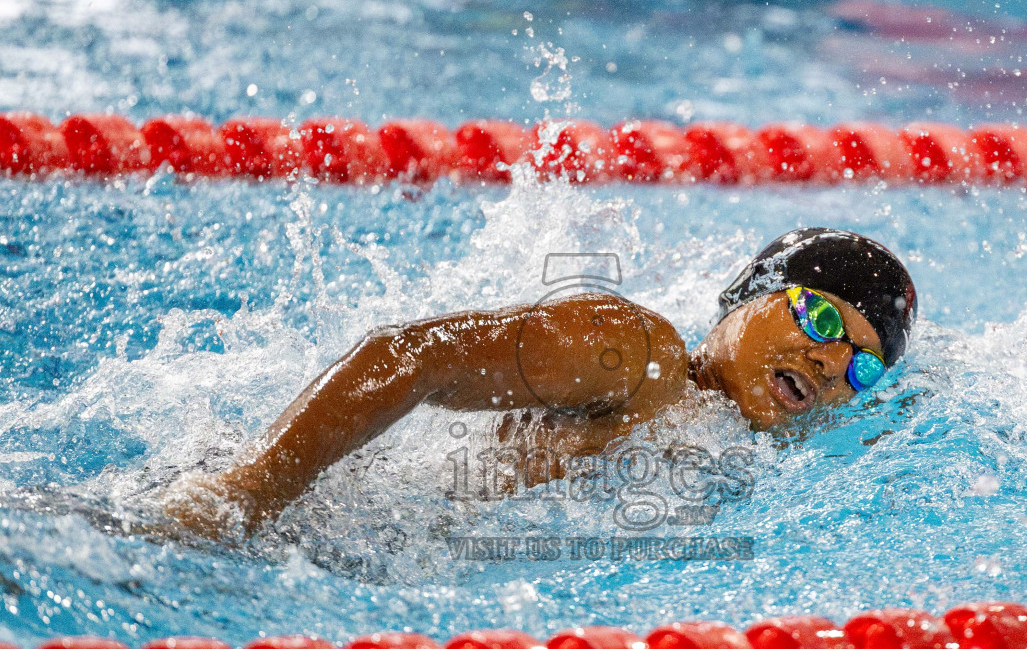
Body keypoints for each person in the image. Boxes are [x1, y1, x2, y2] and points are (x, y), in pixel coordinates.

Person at [163, 227, 917, 540]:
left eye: (862, 363)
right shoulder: (642, 359)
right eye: (819, 319)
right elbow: (413, 353)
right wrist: (248, 491)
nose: (829, 363)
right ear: (747, 296)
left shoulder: (759, 460)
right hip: (313, 526)